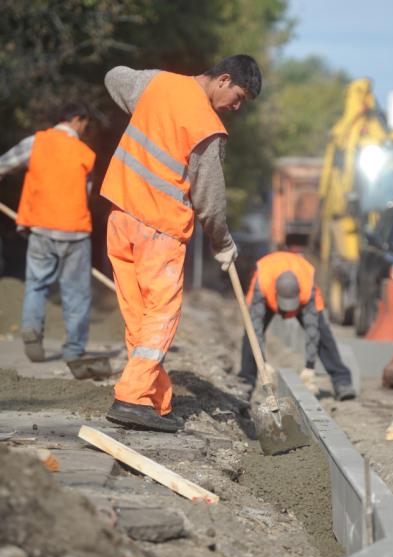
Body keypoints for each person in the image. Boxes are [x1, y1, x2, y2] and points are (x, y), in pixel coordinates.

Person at [100, 55, 262, 432]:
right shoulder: (207, 126)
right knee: (160, 316)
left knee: (140, 317)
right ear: (223, 80)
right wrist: (222, 243)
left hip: (121, 216)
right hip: (159, 229)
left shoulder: (158, 84)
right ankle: (130, 398)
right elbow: (210, 200)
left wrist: (144, 105)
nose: (236, 106)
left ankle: (154, 400)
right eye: (238, 96)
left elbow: (114, 75)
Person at [0, 102, 96, 363]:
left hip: (41, 228)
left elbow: (3, 165)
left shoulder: (35, 143)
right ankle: (74, 350)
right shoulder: (86, 154)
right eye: (85, 124)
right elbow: (85, 196)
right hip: (74, 232)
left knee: (36, 284)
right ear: (77, 119)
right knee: (76, 292)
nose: (85, 129)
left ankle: (31, 328)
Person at [239, 251, 356, 401]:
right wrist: (263, 363)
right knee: (250, 335)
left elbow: (312, 330)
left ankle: (342, 381)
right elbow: (255, 328)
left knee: (322, 333)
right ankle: (246, 382)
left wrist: (310, 367)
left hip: (303, 297)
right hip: (266, 295)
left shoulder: (307, 287)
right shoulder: (263, 282)